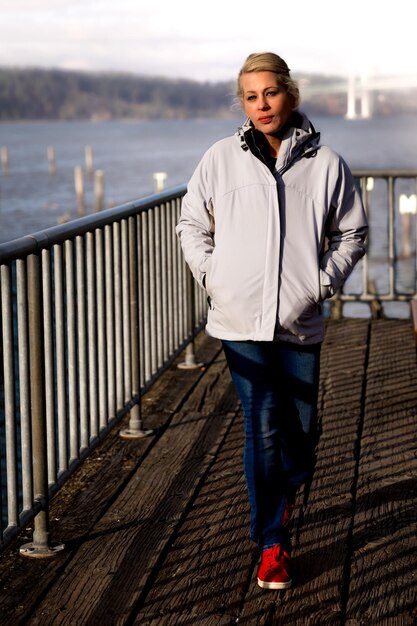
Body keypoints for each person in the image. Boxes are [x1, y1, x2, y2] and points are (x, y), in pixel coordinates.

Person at [176, 52, 368, 590]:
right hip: (239, 322)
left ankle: (288, 485)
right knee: (261, 424)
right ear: (243, 102)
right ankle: (271, 543)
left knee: (300, 434)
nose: (261, 105)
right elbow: (191, 223)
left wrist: (317, 285)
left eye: (271, 93)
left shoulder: (327, 164)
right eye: (250, 96)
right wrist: (214, 276)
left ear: (291, 94)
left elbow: (352, 234)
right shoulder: (219, 159)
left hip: (298, 321)